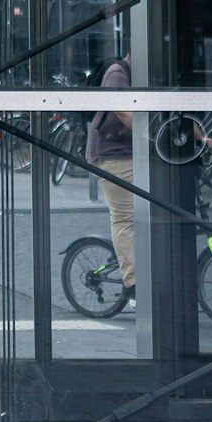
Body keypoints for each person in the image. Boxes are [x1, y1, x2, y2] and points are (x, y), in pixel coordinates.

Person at [88, 55, 138, 314]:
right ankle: (132, 282)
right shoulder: (118, 73)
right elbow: (121, 111)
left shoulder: (142, 75)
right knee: (124, 218)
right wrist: (148, 135)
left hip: (131, 153)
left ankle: (136, 264)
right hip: (112, 155)